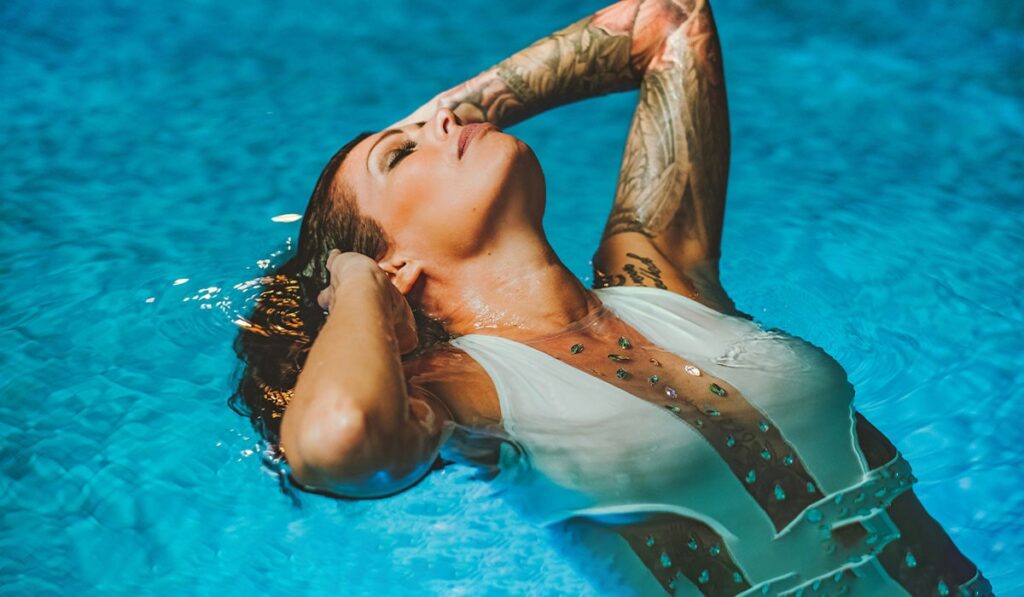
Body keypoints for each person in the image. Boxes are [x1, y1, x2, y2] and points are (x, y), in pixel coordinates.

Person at [230, 0, 991, 594]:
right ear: (393, 264)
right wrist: (359, 286)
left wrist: (453, 107)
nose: (442, 121)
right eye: (399, 154)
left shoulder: (659, 279)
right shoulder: (466, 396)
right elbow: (335, 442)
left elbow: (669, 24)